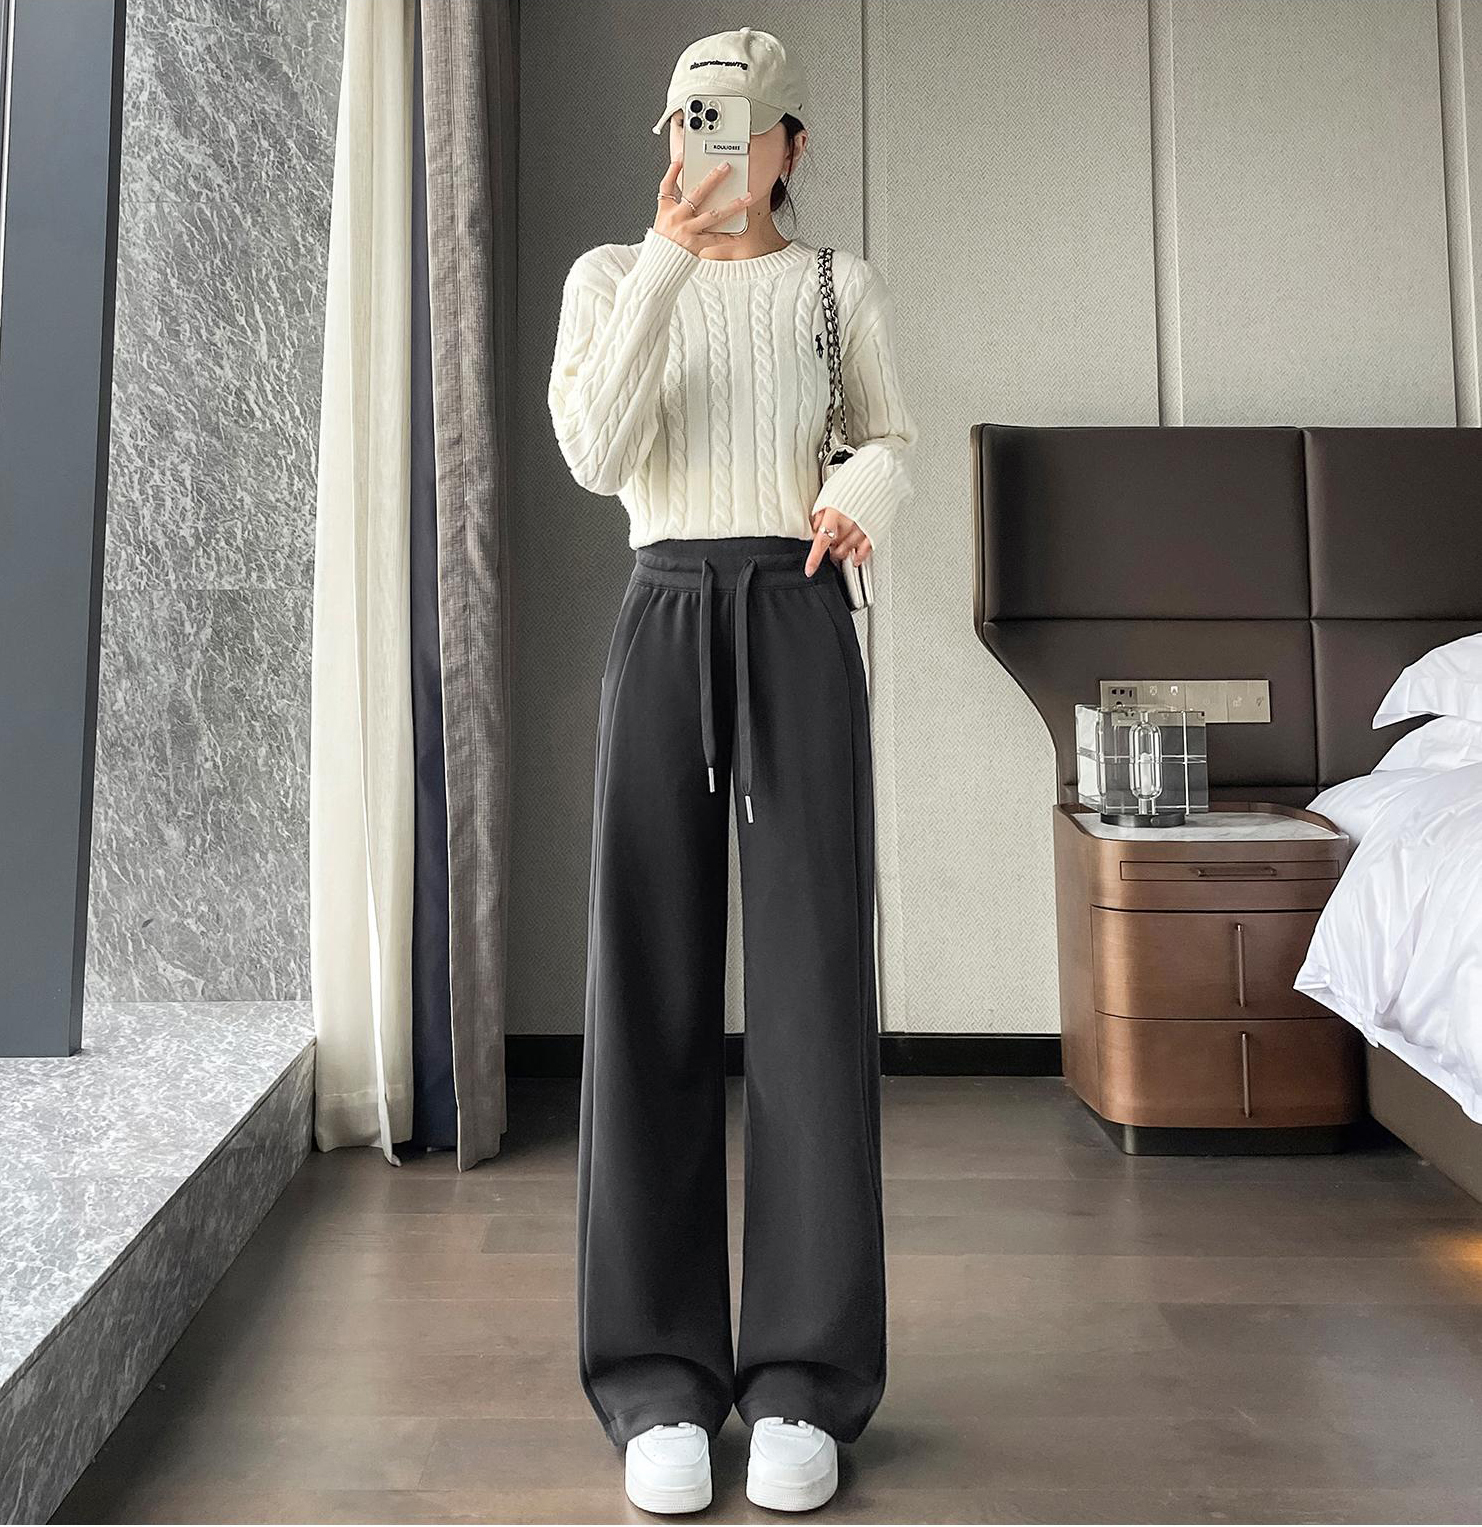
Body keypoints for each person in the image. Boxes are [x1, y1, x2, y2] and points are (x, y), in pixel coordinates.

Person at [546, 26, 917, 1515]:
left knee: (815, 991)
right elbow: (595, 450)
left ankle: (804, 1382)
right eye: (688, 121)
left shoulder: (837, 287)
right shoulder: (606, 278)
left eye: (738, 125)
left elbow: (887, 434)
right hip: (664, 614)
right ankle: (656, 1380)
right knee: (645, 983)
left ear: (790, 145)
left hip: (798, 614)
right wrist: (663, 263)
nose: (707, 148)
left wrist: (861, 488)